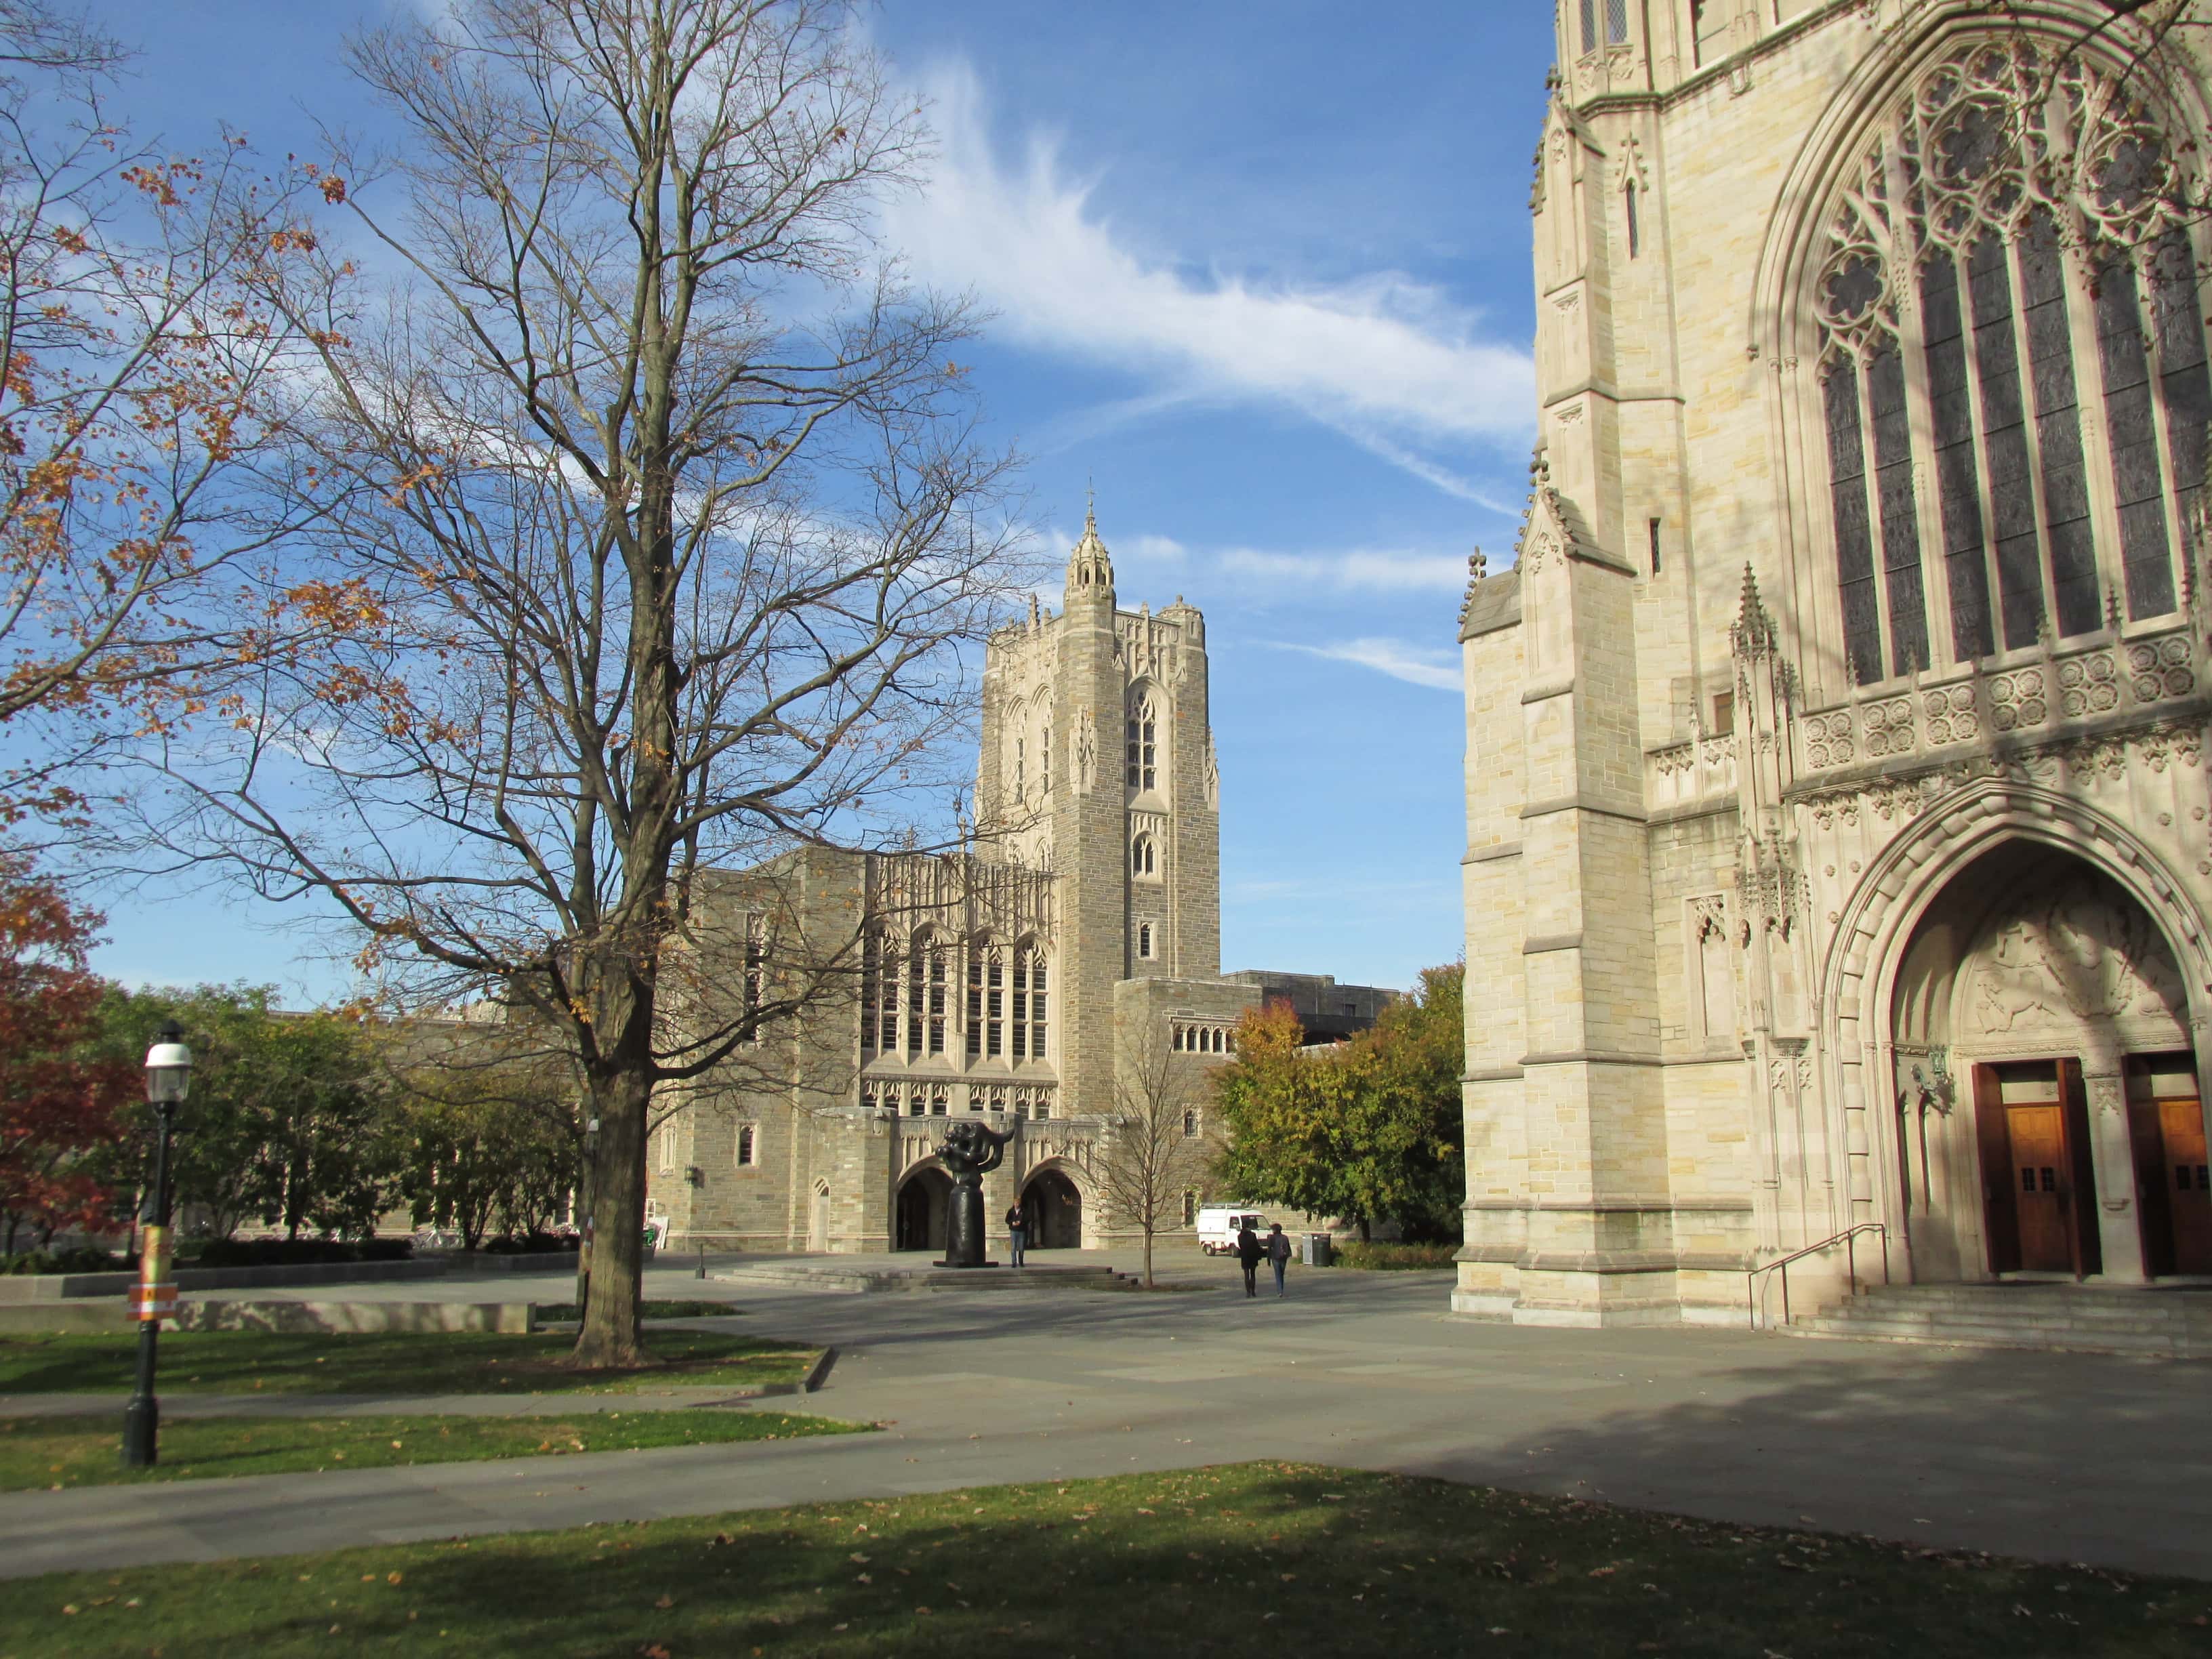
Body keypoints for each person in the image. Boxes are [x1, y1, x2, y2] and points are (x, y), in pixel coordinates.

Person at [1235, 1221, 1263, 1298]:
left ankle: (1248, 1292)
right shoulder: (1252, 1235)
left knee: (1246, 1275)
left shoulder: (1240, 1236)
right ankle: (1253, 1291)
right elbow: (1256, 1245)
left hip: (1245, 1256)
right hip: (1253, 1256)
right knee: (1253, 1274)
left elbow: (1240, 1246)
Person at [1266, 1223, 1292, 1298]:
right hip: (1283, 1258)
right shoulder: (1285, 1237)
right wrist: (1288, 1255)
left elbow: (1269, 1249)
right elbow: (1288, 1248)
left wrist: (1268, 1259)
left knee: (1278, 1274)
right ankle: (1281, 1289)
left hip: (1275, 1257)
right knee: (1281, 1274)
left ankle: (1280, 1291)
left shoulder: (1272, 1238)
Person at [1005, 1200, 1028, 1268]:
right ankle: (1014, 1262)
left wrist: (1021, 1222)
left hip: (1022, 1231)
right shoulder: (1011, 1211)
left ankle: (1021, 1262)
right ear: (1014, 1204)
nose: (1016, 1204)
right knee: (1013, 1247)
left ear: (1019, 1204)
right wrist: (1012, 1223)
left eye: (1018, 1203)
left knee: (1021, 1247)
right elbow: (1007, 1220)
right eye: (1015, 1203)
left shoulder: (1023, 1211)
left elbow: (1028, 1219)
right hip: (1013, 1231)